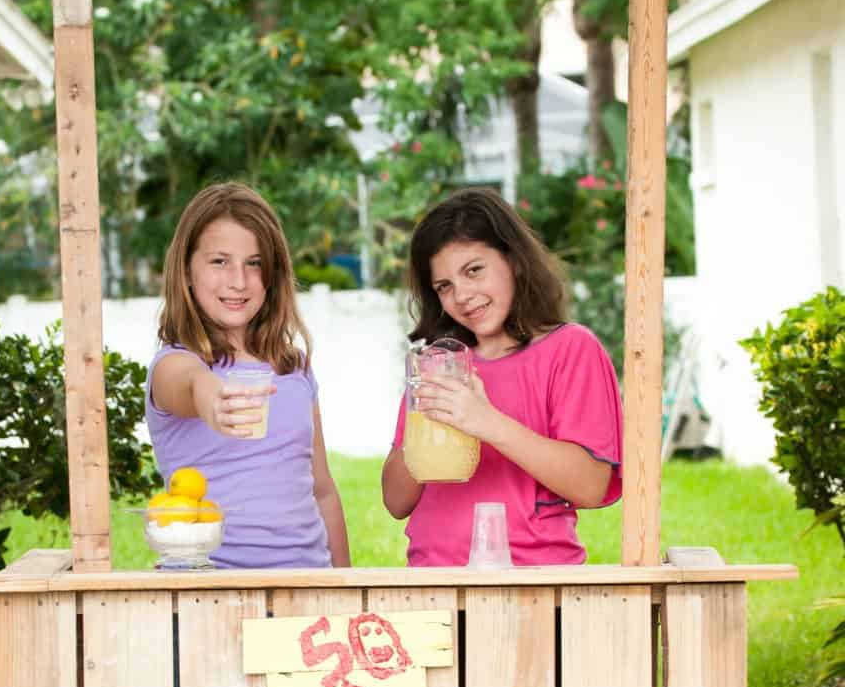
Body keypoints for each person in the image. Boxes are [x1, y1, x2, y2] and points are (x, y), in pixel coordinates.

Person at [382, 187, 622, 566]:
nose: (461, 296)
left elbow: (591, 486)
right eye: (444, 286)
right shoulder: (440, 365)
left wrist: (485, 421)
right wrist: (426, 428)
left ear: (514, 261)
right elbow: (396, 501)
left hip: (532, 586)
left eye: (474, 270)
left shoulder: (570, 349)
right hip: (430, 582)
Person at [146, 181, 350, 569]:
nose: (238, 281)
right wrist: (211, 397)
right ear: (186, 269)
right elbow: (189, 383)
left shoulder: (294, 368)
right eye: (219, 261)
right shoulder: (174, 363)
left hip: (305, 589)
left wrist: (347, 590)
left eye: (254, 263)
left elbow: (322, 491)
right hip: (208, 595)